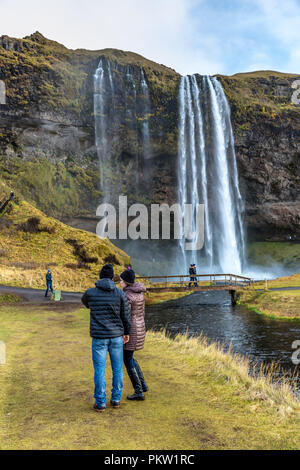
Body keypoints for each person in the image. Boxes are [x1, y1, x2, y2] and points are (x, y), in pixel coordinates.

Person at [81, 264, 131, 412]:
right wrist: (126, 332)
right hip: (116, 336)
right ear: (112, 277)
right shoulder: (120, 293)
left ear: (100, 276)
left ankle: (100, 402)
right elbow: (125, 316)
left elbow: (85, 303)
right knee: (117, 369)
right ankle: (116, 399)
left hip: (99, 337)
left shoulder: (90, 293)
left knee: (99, 370)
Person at [120, 268, 148, 401]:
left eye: (121, 280)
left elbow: (125, 316)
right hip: (139, 327)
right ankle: (143, 385)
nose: (119, 282)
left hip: (131, 330)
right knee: (130, 357)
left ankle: (138, 391)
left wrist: (124, 332)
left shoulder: (127, 295)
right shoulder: (139, 293)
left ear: (126, 282)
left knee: (127, 359)